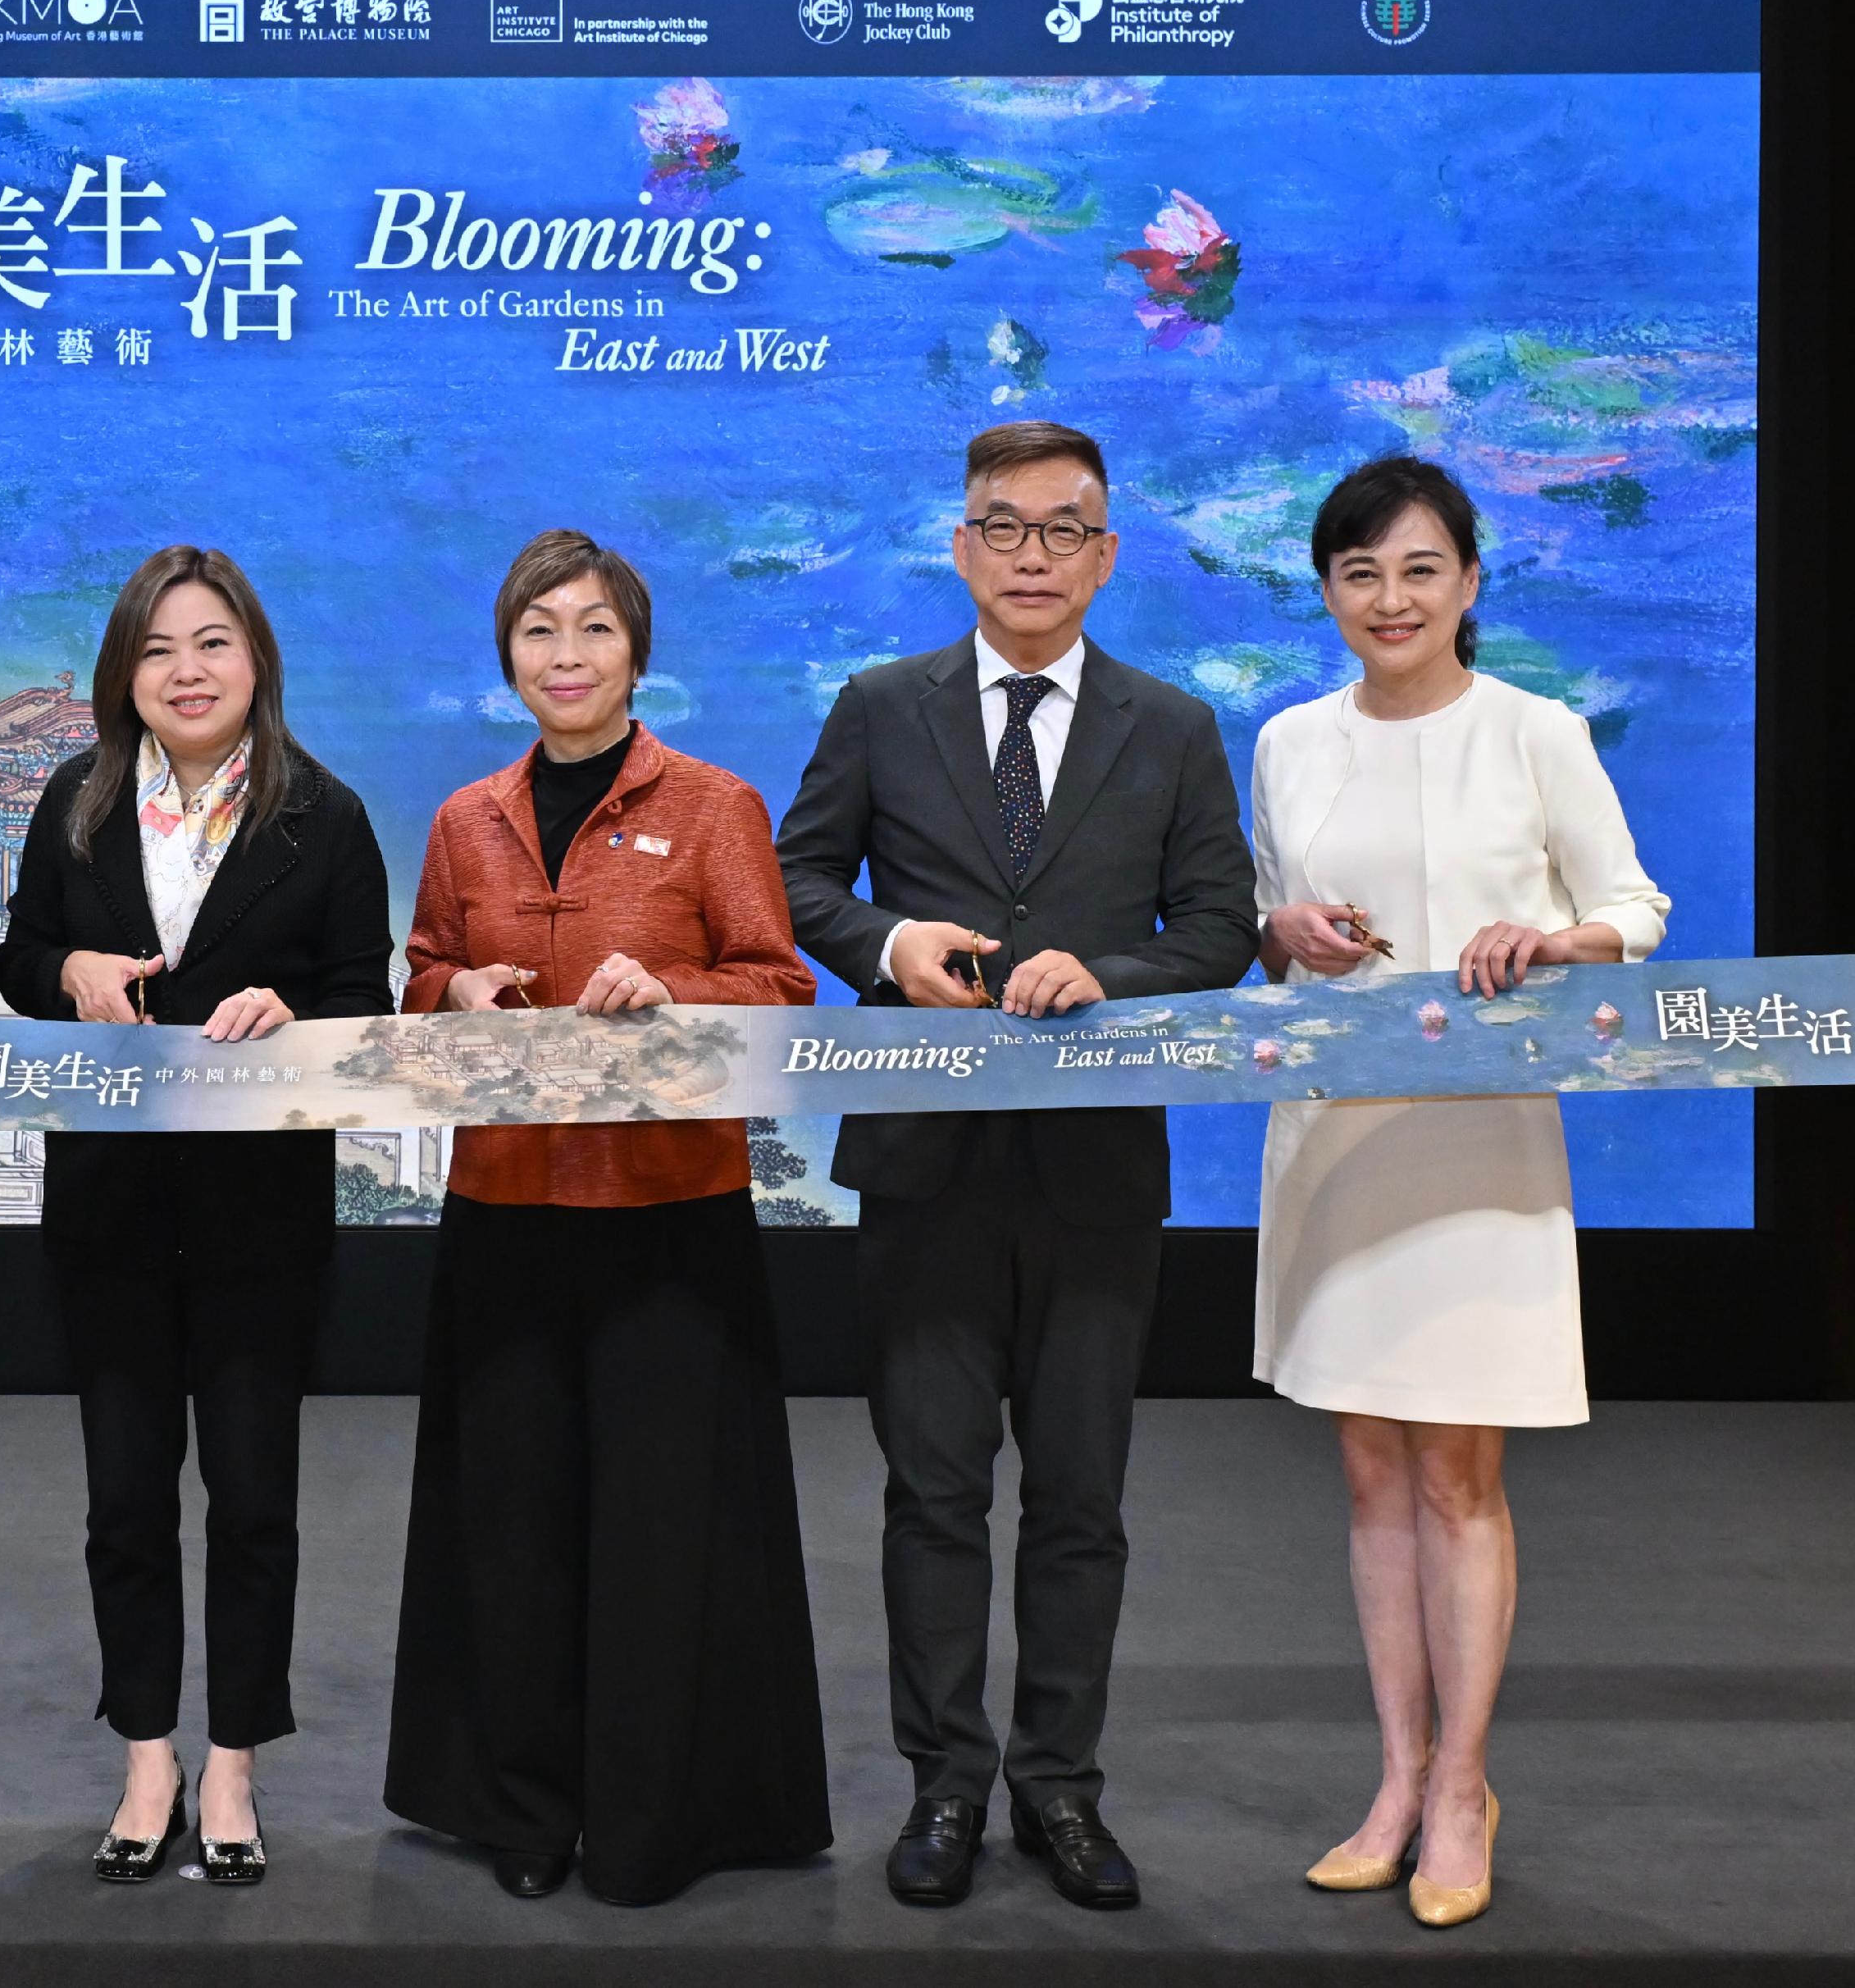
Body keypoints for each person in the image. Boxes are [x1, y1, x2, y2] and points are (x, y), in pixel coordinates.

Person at [777, 421, 1258, 1912]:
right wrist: (888, 943)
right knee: (933, 1494)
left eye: (1064, 530)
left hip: (1096, 1171)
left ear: (1106, 556)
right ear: (961, 545)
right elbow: (798, 878)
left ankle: (1060, 1789)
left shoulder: (1172, 726)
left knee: (1080, 1500)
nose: (1032, 555)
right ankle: (945, 1784)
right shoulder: (882, 705)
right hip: (925, 1163)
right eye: (1005, 526)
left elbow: (1220, 929)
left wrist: (1110, 976)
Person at [381, 529, 831, 1908]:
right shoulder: (467, 819)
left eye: (593, 629)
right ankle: (522, 1805)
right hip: (505, 1209)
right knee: (511, 1519)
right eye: (539, 631)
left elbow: (782, 986)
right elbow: (422, 975)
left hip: (668, 1217)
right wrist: (453, 991)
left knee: (662, 1525)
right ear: (507, 656)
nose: (565, 655)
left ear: (637, 654)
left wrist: (676, 990)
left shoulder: (713, 806)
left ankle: (655, 1817)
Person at [1250, 457, 1666, 1929]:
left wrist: (1558, 945)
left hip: (1484, 1142)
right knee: (1371, 1471)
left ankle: (1464, 1787)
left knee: (1456, 1477)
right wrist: (1286, 930)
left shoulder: (1537, 732)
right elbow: (1266, 932)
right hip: (1338, 1139)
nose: (1391, 599)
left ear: (1470, 583)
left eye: (1420, 569)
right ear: (1327, 592)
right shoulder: (1288, 742)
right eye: (1360, 573)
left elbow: (1632, 907)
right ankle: (1396, 1778)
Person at [0, 548, 393, 1886]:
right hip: (108, 1206)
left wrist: (298, 1013)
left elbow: (366, 997)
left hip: (259, 1215)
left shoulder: (324, 814)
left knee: (254, 1501)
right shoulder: (75, 800)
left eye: (213, 642)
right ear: (126, 674)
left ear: (256, 659)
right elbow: (16, 957)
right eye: (158, 649)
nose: (187, 671)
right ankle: (147, 1754)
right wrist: (69, 968)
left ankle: (234, 1763)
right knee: (123, 1502)